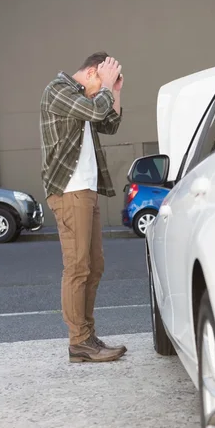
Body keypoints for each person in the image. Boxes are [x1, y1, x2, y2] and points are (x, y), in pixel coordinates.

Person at [40, 52, 127, 363]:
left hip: (87, 190)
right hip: (69, 191)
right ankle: (78, 341)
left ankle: (87, 336)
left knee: (94, 265)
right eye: (101, 79)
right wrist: (104, 88)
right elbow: (94, 110)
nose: (102, 86)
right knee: (77, 266)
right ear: (92, 73)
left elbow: (110, 123)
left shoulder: (86, 98)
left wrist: (113, 91)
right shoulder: (58, 90)